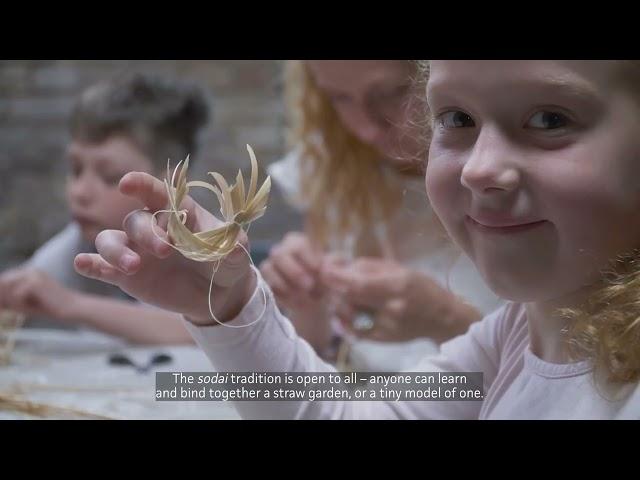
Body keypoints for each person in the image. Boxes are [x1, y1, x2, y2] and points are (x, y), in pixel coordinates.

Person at [75, 60, 640, 418]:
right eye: (457, 118)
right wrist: (228, 305)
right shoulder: (521, 328)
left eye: (548, 120)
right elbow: (333, 411)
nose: (478, 169)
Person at [262, 61, 501, 369]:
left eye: (393, 93)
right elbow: (322, 351)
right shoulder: (332, 164)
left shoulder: (502, 174)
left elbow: (548, 376)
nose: (366, 127)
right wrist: (306, 300)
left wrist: (447, 319)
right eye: (339, 98)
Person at [0, 72, 210, 344]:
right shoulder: (73, 247)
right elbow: (32, 290)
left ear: (170, 182)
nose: (79, 192)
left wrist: (71, 305)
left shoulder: (202, 248)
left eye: (110, 177)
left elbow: (203, 331)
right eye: (75, 170)